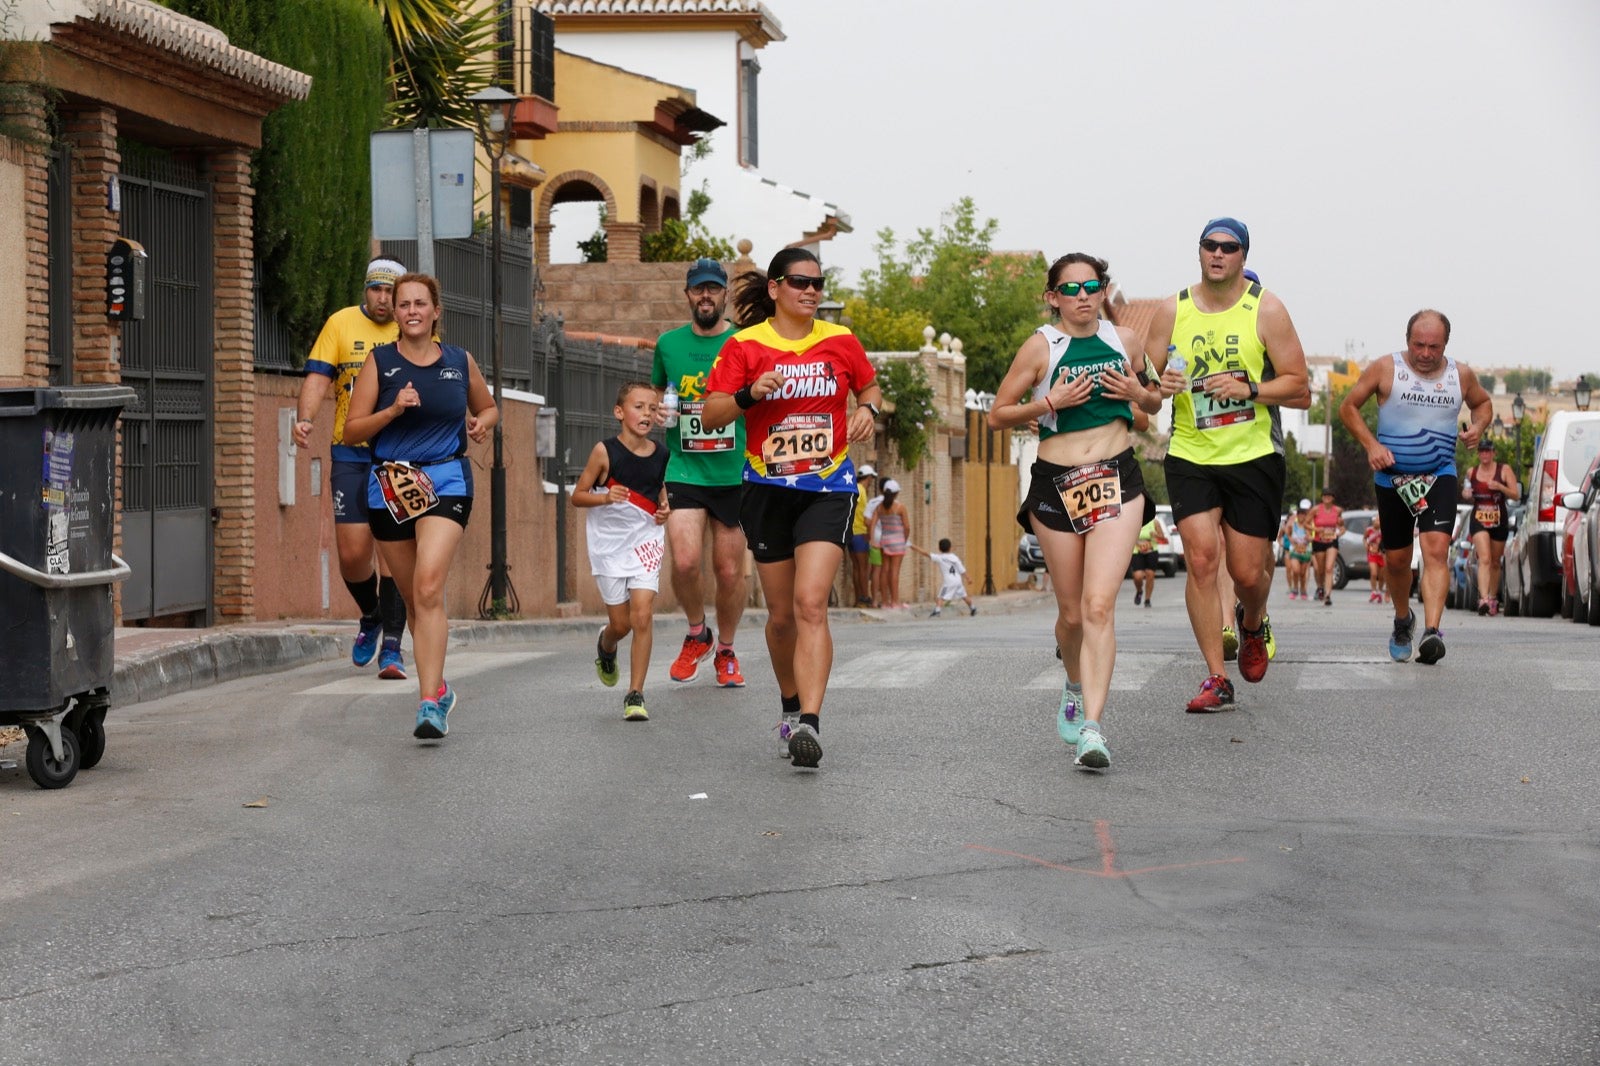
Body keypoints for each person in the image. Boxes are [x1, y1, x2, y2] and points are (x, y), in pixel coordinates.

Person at [701, 248, 882, 769]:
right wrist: (748, 394)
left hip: (828, 486)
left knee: (810, 604)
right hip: (766, 488)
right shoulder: (745, 345)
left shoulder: (840, 342)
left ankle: (811, 722)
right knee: (781, 616)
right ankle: (788, 704)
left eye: (818, 284)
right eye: (800, 282)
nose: (811, 291)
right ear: (776, 288)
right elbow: (712, 414)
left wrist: (867, 407)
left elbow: (868, 384)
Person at [990, 251, 1162, 770]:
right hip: (1056, 484)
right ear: (1053, 297)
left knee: (1098, 607)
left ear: (1103, 290)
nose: (1083, 297)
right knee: (1070, 616)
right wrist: (1049, 403)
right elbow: (998, 414)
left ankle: (1093, 727)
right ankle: (1071, 682)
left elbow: (1152, 408)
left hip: (1115, 479)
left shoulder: (1124, 341)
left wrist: (1138, 392)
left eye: (1092, 287)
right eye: (1071, 289)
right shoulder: (1041, 348)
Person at [1146, 218, 1311, 712]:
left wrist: (1250, 389)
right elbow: (1147, 393)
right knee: (1200, 559)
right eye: (1209, 246)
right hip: (1190, 453)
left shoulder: (1267, 309)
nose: (1218, 254)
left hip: (1252, 455)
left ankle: (1253, 620)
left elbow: (1300, 388)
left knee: (1246, 574)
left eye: (1229, 247)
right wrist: (1157, 389)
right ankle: (1217, 677)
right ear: (1199, 253)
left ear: (1242, 255)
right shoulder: (1169, 311)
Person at [342, 273, 497, 740]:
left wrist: (481, 424)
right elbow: (351, 431)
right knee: (413, 599)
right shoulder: (380, 363)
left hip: (446, 477)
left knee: (429, 587)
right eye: (403, 303)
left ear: (435, 311)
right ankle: (441, 686)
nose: (410, 310)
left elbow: (488, 407)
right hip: (390, 483)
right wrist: (392, 411)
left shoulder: (458, 361)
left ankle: (428, 703)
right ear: (397, 313)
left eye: (419, 303)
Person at [1338, 309, 1492, 664]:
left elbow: (1482, 404)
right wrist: (1371, 446)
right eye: (1418, 345)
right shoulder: (1385, 368)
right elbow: (1349, 408)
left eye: (1433, 347)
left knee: (1436, 549)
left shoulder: (1460, 375)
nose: (1425, 354)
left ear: (1445, 345)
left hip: (1438, 473)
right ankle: (1402, 618)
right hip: (1394, 478)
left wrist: (1478, 427)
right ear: (1407, 341)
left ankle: (1433, 632)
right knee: (1397, 560)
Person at [293, 257, 409, 679]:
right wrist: (304, 418)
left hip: (400, 454)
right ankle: (372, 616)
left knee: (394, 554)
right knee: (353, 552)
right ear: (366, 290)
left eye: (389, 292)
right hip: (351, 451)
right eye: (375, 290)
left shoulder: (409, 328)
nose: (382, 299)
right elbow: (318, 378)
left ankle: (393, 648)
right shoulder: (340, 324)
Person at [651, 258, 748, 687]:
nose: (705, 296)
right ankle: (697, 633)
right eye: (697, 289)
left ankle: (726, 650)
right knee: (686, 561)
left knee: (729, 571)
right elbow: (658, 392)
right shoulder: (668, 344)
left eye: (712, 289)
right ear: (687, 295)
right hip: (685, 466)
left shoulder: (745, 343)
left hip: (734, 470)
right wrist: (657, 410)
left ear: (724, 294)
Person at [573, 382, 671, 720]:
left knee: (642, 613)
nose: (646, 414)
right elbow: (577, 495)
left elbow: (658, 489)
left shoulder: (661, 453)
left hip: (645, 540)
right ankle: (607, 644)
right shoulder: (604, 451)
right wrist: (604, 497)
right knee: (622, 624)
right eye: (639, 407)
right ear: (619, 412)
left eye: (652, 408)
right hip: (608, 545)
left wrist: (663, 509)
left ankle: (636, 694)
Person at [1461, 440, 1519, 615]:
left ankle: (1492, 598)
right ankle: (1483, 599)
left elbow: (1516, 495)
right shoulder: (1471, 472)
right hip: (1478, 519)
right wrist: (1466, 494)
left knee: (1495, 561)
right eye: (1482, 452)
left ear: (1493, 453)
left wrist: (1500, 487)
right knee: (1484, 558)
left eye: (1488, 451)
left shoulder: (1504, 470)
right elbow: (1465, 492)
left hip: (1498, 519)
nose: (1485, 455)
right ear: (1478, 454)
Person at [870, 478, 911, 608]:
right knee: (895, 572)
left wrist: (872, 540)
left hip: (884, 541)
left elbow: (873, 523)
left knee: (884, 571)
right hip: (898, 541)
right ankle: (895, 601)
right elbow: (907, 526)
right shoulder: (900, 507)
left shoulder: (879, 507)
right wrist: (904, 539)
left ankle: (885, 602)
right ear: (896, 493)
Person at [910, 537, 976, 616]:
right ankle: (973, 608)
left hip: (949, 582)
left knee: (940, 597)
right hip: (958, 580)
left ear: (939, 548)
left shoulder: (940, 558)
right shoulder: (955, 557)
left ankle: (937, 611)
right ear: (951, 548)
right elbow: (961, 569)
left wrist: (911, 546)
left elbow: (925, 553)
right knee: (964, 595)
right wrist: (968, 578)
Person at [1308, 489, 1346, 605]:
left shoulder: (1338, 510)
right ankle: (1320, 587)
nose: (1327, 497)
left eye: (1329, 495)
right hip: (1318, 541)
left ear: (1333, 498)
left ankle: (1328, 595)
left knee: (1329, 568)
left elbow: (1342, 525)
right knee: (1320, 569)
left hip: (1332, 541)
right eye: (1325, 495)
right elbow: (1306, 523)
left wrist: (1339, 531)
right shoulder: (1315, 510)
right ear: (1322, 497)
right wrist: (1316, 529)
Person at [849, 464, 877, 605]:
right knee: (863, 567)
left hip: (851, 533)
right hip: (859, 532)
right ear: (869, 477)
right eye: (872, 478)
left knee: (856, 567)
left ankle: (858, 599)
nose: (872, 481)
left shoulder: (857, 488)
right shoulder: (860, 490)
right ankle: (865, 597)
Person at [1130, 519, 1158, 608]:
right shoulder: (1134, 520)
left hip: (1151, 551)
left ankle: (1147, 599)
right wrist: (1138, 543)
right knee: (1138, 576)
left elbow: (1162, 536)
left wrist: (1155, 535)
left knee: (1150, 574)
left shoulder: (1154, 522)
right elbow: (1126, 537)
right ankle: (1139, 591)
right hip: (1137, 551)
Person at [1364, 513, 1388, 603]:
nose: (1378, 522)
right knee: (1373, 573)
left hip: (1381, 555)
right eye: (1376, 520)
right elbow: (1364, 539)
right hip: (1372, 555)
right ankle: (1373, 591)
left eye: (1379, 520)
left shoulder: (1383, 531)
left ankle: (1379, 591)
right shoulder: (1369, 530)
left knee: (1381, 576)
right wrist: (1366, 545)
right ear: (1373, 521)